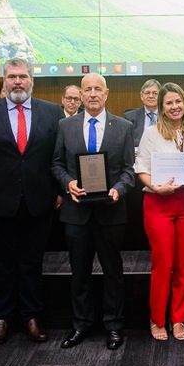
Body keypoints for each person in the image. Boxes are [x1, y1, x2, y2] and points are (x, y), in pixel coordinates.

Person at [0, 58, 64, 345]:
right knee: (1, 265)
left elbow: (60, 155)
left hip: (38, 201)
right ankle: (2, 318)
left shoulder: (52, 112)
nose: (17, 81)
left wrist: (59, 190)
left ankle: (32, 317)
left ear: (32, 81)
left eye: (23, 76)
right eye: (11, 77)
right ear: (4, 81)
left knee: (32, 263)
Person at [52, 72, 136, 350]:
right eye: (87, 89)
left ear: (106, 93)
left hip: (111, 212)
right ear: (80, 94)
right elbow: (56, 164)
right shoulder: (65, 125)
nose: (92, 94)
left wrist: (119, 190)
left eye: (98, 89)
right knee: (79, 272)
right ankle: (81, 324)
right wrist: (68, 183)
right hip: (76, 213)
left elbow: (129, 170)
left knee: (113, 272)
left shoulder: (123, 127)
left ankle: (114, 325)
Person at [134, 82, 184, 342]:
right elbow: (141, 168)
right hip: (158, 204)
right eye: (169, 103)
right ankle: (157, 319)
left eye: (178, 101)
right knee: (163, 264)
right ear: (162, 108)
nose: (174, 107)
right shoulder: (151, 133)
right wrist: (155, 186)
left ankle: (178, 318)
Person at [124, 79, 161, 147]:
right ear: (141, 96)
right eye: (147, 93)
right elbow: (127, 141)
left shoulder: (167, 116)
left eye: (155, 93)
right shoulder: (130, 117)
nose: (151, 96)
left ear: (161, 97)